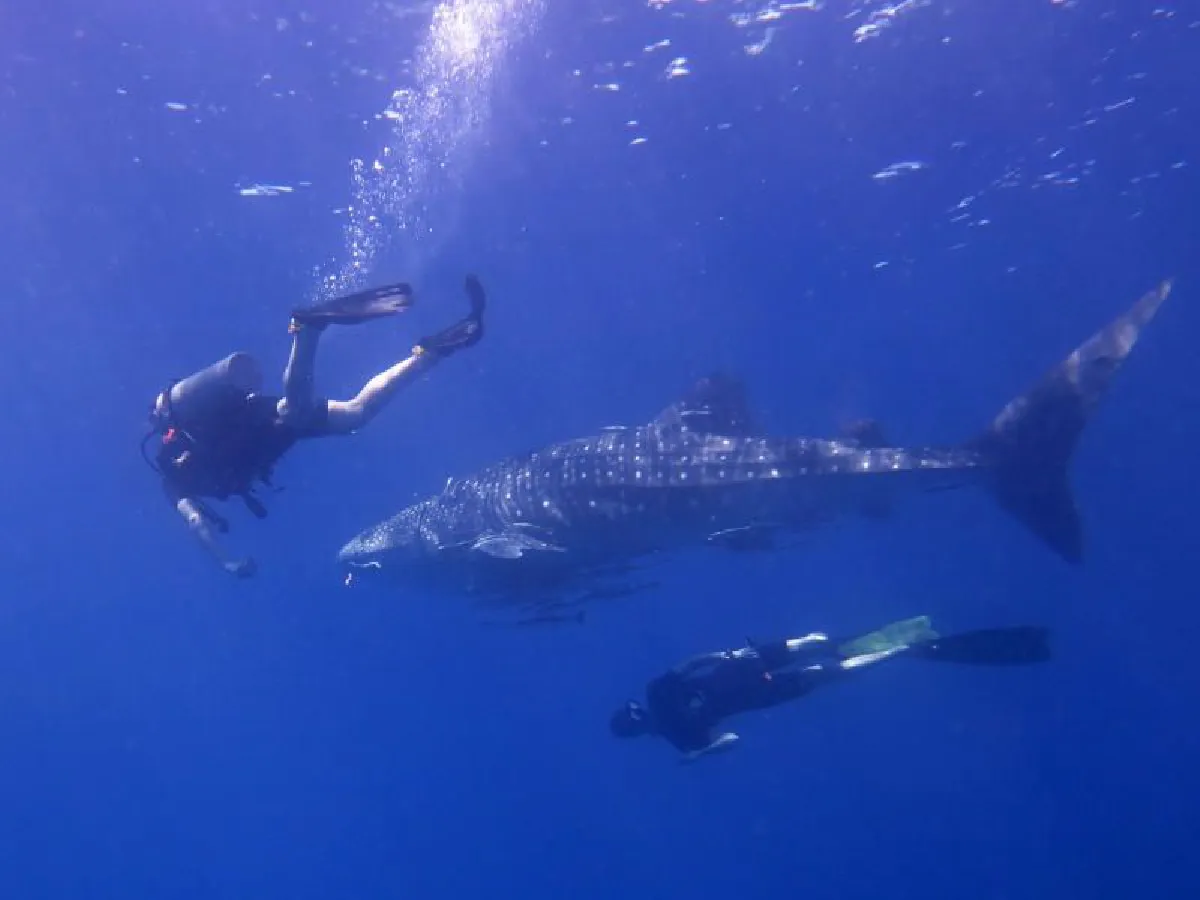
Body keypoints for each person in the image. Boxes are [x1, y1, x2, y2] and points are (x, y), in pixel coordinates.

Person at [143, 275, 487, 578]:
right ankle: (431, 352)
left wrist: (226, 562)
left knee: (297, 411)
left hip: (250, 433)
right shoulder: (180, 458)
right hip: (255, 426)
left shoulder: (172, 479)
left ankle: (306, 331)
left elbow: (196, 523)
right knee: (355, 414)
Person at [608, 616, 1050, 762]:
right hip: (759, 685)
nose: (640, 713)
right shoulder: (677, 733)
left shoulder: (662, 702)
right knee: (827, 667)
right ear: (637, 724)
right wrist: (701, 754)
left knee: (820, 652)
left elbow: (691, 666)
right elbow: (730, 737)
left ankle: (883, 649)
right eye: (635, 717)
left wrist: (725, 655)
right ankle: (896, 649)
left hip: (749, 671)